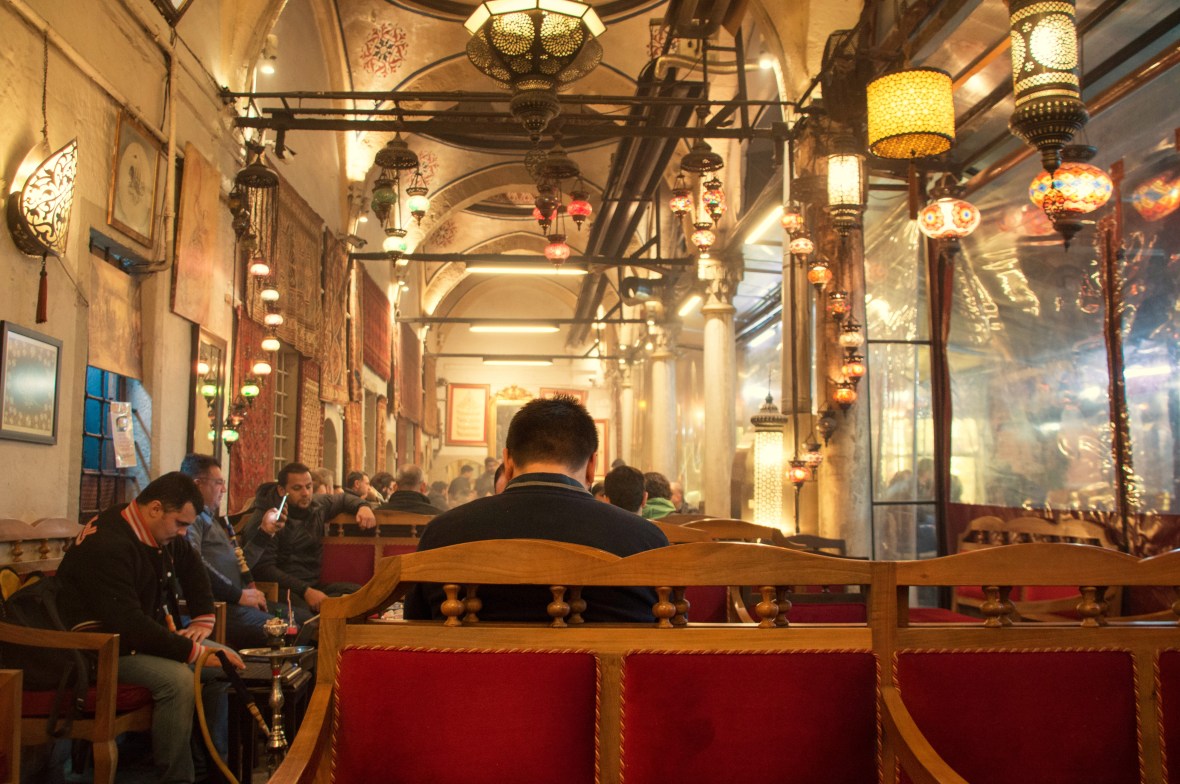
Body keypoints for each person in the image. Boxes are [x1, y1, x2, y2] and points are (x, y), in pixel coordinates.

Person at [406, 395, 668, 622]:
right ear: (591, 466)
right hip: (601, 680)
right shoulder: (646, 541)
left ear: (507, 461)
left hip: (470, 679)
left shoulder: (442, 534)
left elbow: (414, 633)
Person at [57, 473, 245, 784]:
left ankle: (211, 769)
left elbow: (191, 564)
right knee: (177, 681)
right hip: (96, 649)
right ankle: (176, 778)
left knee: (225, 662)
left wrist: (203, 619)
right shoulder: (110, 543)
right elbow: (129, 623)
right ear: (155, 508)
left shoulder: (155, 530)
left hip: (135, 638)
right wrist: (192, 652)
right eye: (180, 523)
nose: (183, 533)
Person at [243, 462, 376, 621]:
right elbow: (263, 569)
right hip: (280, 590)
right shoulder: (269, 517)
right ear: (281, 490)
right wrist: (305, 590)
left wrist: (363, 506)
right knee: (311, 618)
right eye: (297, 488)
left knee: (359, 594)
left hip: (312, 585)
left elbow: (343, 499)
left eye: (309, 487)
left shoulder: (317, 506)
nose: (306, 493)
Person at [180, 454, 272, 649]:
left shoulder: (209, 518)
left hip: (235, 600)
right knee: (284, 628)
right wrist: (239, 595)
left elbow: (240, 563)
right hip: (219, 605)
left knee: (296, 622)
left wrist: (264, 533)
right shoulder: (192, 518)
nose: (223, 490)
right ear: (197, 485)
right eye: (219, 483)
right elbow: (193, 562)